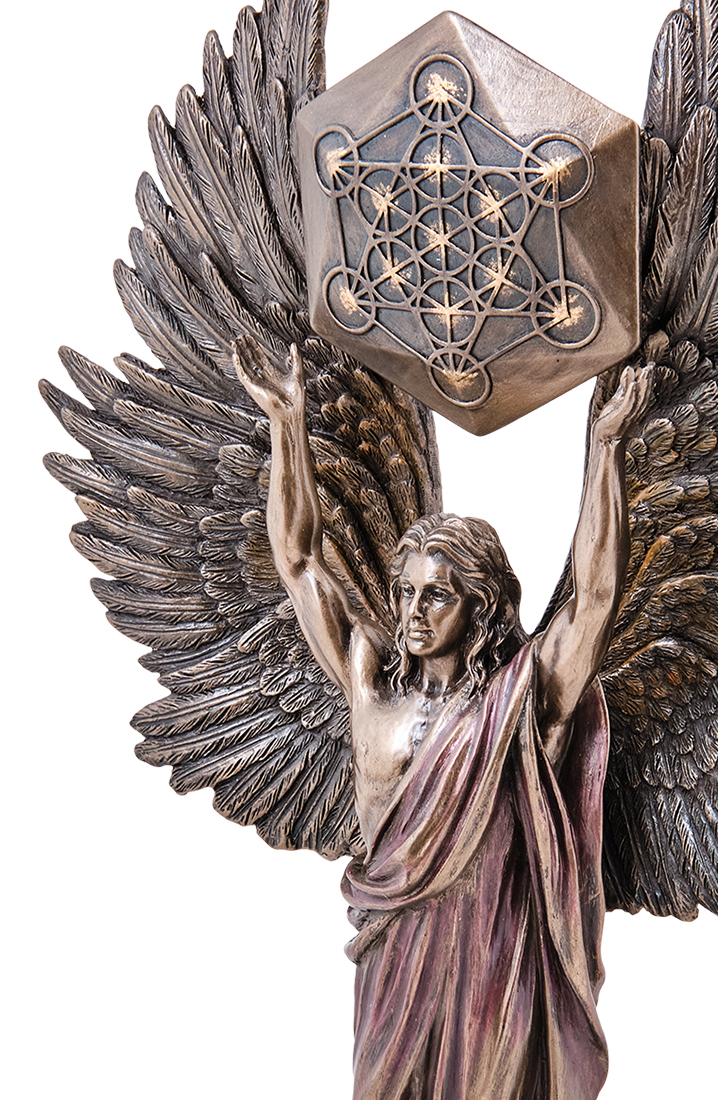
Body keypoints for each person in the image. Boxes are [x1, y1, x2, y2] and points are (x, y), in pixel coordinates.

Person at [233, 337, 651, 1100]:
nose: (413, 613)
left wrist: (606, 447)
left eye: (437, 595)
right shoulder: (369, 684)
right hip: (392, 957)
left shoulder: (521, 700)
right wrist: (287, 424)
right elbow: (298, 561)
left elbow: (594, 598)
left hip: (493, 950)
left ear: (480, 607)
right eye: (405, 592)